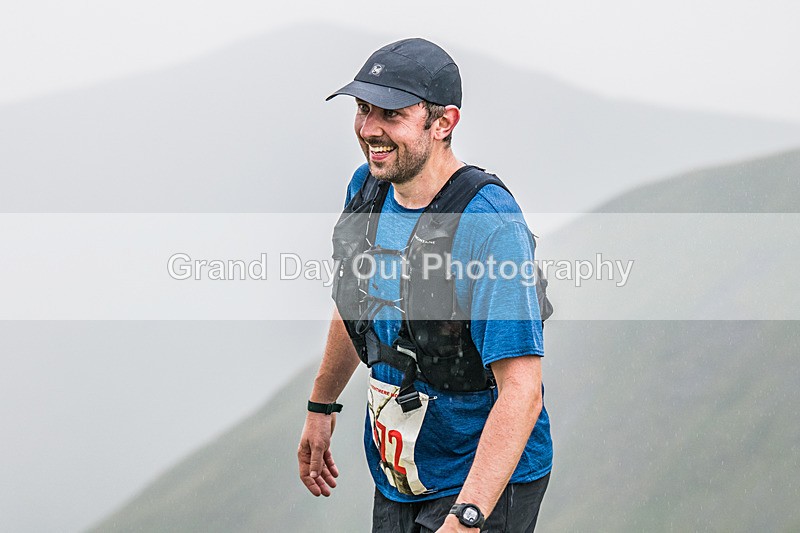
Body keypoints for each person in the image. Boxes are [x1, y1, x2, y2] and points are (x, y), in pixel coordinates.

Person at [297, 38, 552, 532]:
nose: (369, 129)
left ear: (443, 123)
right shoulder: (367, 190)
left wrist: (469, 517)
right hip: (402, 474)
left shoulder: (490, 224)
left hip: (481, 482)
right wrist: (321, 405)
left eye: (390, 113)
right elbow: (357, 311)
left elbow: (522, 391)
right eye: (363, 108)